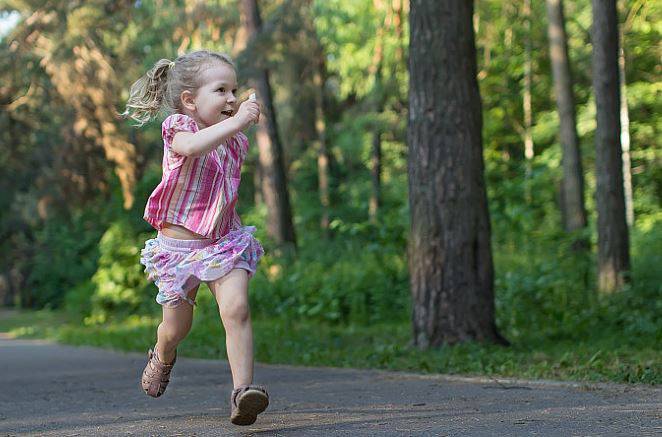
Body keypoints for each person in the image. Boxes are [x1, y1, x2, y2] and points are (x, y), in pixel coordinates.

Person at [121, 50, 268, 426]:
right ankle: (163, 352)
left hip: (223, 242)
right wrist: (236, 123)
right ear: (190, 100)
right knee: (177, 328)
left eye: (234, 89)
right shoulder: (177, 127)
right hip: (177, 250)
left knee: (236, 309)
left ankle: (243, 393)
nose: (232, 98)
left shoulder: (235, 139)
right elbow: (190, 149)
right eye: (221, 90)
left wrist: (237, 126)